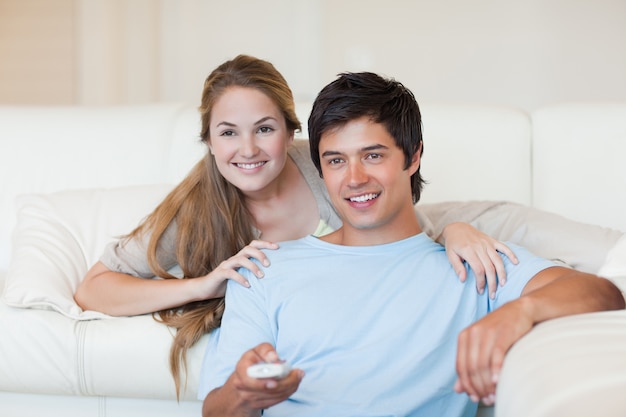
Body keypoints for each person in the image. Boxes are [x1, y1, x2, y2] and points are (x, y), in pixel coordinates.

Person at [73, 55, 514, 397]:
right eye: (227, 133)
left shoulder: (329, 168)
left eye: (264, 129)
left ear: (290, 131)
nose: (247, 150)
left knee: (509, 222)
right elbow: (94, 287)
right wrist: (201, 286)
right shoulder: (196, 206)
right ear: (208, 141)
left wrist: (453, 230)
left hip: (402, 251)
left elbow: (396, 229)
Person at [198, 71, 625, 417]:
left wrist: (521, 311)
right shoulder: (266, 268)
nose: (354, 179)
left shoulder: (471, 263)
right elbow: (216, 410)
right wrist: (244, 392)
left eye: (373, 155)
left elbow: (602, 293)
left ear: (413, 156)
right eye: (336, 161)